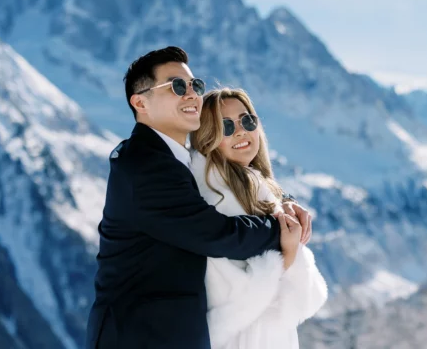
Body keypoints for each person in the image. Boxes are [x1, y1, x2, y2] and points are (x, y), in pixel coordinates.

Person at [85, 46, 311, 349]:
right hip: (140, 335)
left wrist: (282, 200)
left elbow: (240, 176)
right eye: (177, 86)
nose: (192, 94)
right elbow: (213, 233)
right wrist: (278, 227)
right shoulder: (145, 164)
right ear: (141, 103)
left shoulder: (175, 160)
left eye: (195, 85)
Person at [189, 88, 328, 348]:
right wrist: (288, 255)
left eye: (247, 120)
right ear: (207, 137)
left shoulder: (251, 184)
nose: (241, 131)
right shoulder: (215, 197)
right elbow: (236, 294)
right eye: (226, 126)